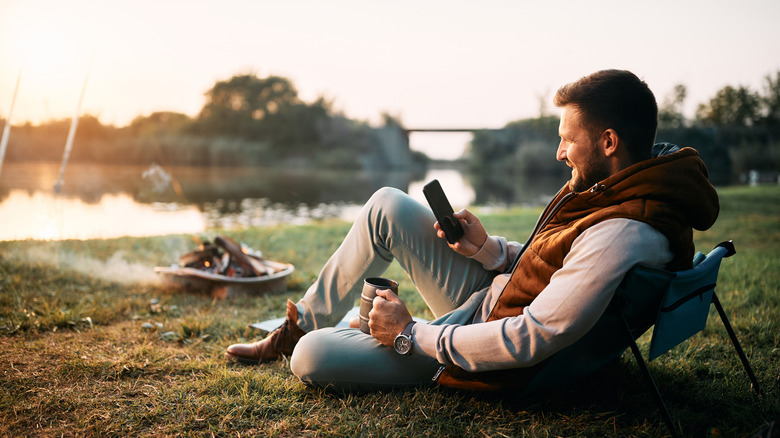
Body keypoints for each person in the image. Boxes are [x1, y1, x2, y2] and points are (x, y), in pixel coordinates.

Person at [225, 69, 719, 393]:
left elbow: (533, 337)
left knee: (313, 359)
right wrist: (489, 250)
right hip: (494, 298)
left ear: (609, 141)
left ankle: (332, 335)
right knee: (386, 206)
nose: (559, 152)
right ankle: (302, 324)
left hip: (489, 349)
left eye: (567, 139)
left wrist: (409, 334)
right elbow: (565, 270)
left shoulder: (624, 228)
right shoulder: (632, 188)